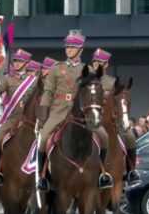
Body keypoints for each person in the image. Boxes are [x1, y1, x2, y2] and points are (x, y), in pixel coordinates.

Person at [37, 30, 113, 191]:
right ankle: (42, 177)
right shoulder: (56, 69)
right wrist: (43, 113)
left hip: (83, 113)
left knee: (104, 136)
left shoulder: (89, 70)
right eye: (67, 46)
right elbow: (48, 92)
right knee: (43, 139)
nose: (68, 49)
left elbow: (95, 92)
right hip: (58, 111)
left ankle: (102, 173)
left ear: (80, 50)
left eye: (72, 47)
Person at [91, 48, 139, 184]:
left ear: (106, 65)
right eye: (94, 61)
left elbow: (120, 104)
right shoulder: (86, 79)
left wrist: (123, 119)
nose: (96, 64)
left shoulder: (112, 83)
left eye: (100, 62)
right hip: (89, 119)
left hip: (110, 121)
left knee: (130, 136)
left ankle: (131, 171)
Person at [0, 48, 36, 186]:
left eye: (19, 61)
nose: (16, 63)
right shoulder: (8, 79)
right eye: (15, 61)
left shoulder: (33, 80)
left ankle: (45, 174)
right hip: (12, 118)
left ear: (26, 63)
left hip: (30, 120)